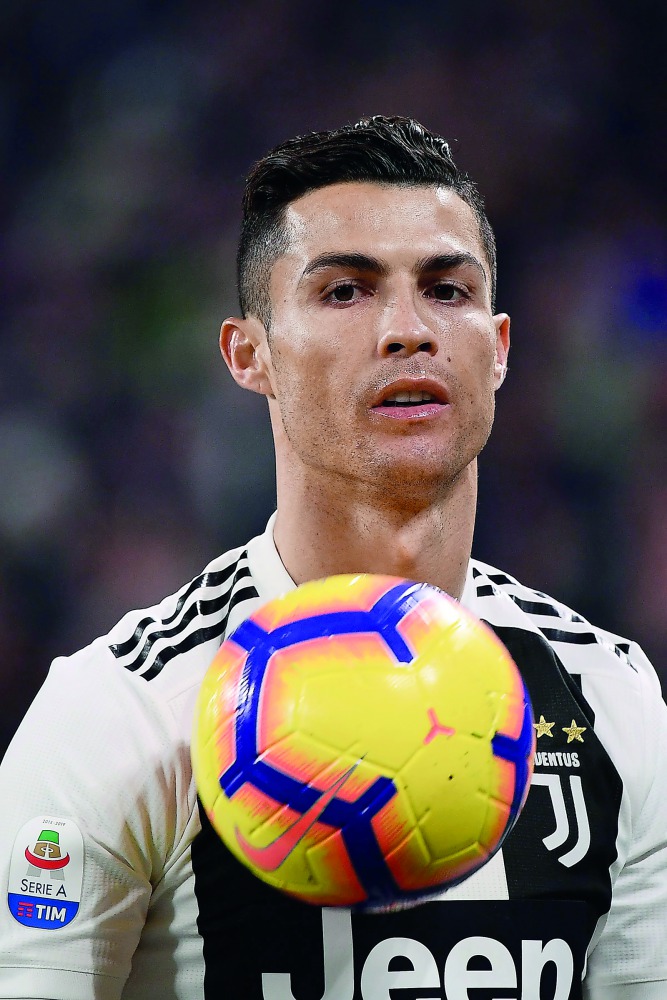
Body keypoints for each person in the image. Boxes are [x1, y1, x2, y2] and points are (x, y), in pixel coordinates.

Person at [0, 115, 666, 1000]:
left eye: (448, 290)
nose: (407, 330)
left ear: (498, 350)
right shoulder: (120, 712)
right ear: (250, 354)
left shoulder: (609, 696)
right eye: (345, 292)